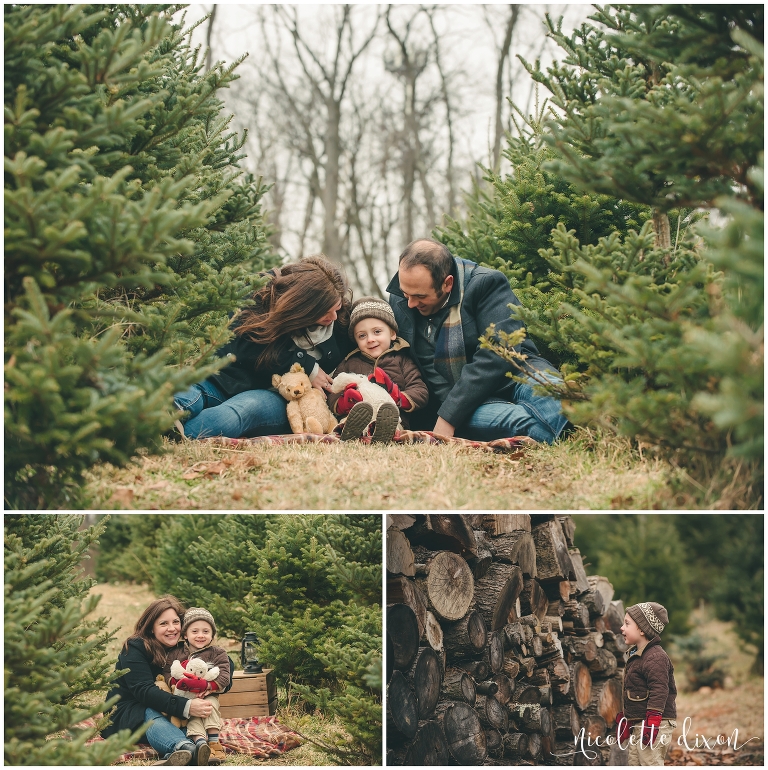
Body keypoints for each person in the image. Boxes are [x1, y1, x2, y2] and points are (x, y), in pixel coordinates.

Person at [386, 238, 570, 442]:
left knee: (555, 399)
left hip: (517, 374)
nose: (410, 303)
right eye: (406, 293)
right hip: (465, 405)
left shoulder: (486, 284)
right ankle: (572, 439)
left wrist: (448, 417)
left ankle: (583, 432)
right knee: (517, 421)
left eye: (420, 296)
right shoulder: (399, 299)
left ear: (447, 283)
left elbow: (499, 351)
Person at [174, 256, 354, 438]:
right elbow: (241, 343)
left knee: (242, 410)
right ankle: (161, 421)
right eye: (325, 311)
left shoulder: (342, 323)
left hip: (274, 397)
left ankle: (180, 436)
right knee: (193, 390)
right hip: (228, 380)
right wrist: (307, 366)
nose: (334, 316)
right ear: (303, 306)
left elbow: (370, 326)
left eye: (337, 307)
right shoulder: (262, 294)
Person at [100, 596, 219, 766]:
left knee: (187, 722)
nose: (172, 629)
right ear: (151, 628)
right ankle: (184, 748)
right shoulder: (134, 648)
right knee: (151, 711)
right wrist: (187, 706)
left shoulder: (182, 647)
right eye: (163, 624)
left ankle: (196, 748)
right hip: (126, 712)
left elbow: (222, 661)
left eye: (176, 622)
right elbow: (144, 691)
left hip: (168, 711)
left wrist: (212, 684)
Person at [327, 297, 429, 442]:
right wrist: (344, 402)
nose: (370, 339)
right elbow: (333, 392)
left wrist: (396, 395)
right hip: (356, 415)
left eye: (377, 332)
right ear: (355, 340)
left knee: (392, 422)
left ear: (392, 333)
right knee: (348, 420)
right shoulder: (349, 362)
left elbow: (420, 391)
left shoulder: (402, 360)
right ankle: (350, 430)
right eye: (362, 335)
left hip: (394, 418)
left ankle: (385, 431)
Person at [164, 608, 230, 766]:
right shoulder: (176, 652)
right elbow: (167, 671)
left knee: (210, 707)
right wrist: (174, 684)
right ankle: (201, 743)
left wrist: (208, 685)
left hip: (208, 695)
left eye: (206, 631)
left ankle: (214, 742)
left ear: (212, 635)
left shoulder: (217, 653)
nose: (200, 635)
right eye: (195, 631)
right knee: (193, 717)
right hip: (184, 697)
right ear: (185, 634)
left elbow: (224, 675)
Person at [615, 602, 677, 766]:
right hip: (640, 721)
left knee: (649, 763)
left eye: (627, 623)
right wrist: (628, 717)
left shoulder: (655, 657)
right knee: (635, 763)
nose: (622, 628)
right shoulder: (637, 655)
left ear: (642, 629)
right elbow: (635, 689)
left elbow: (660, 689)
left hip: (656, 723)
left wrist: (653, 721)